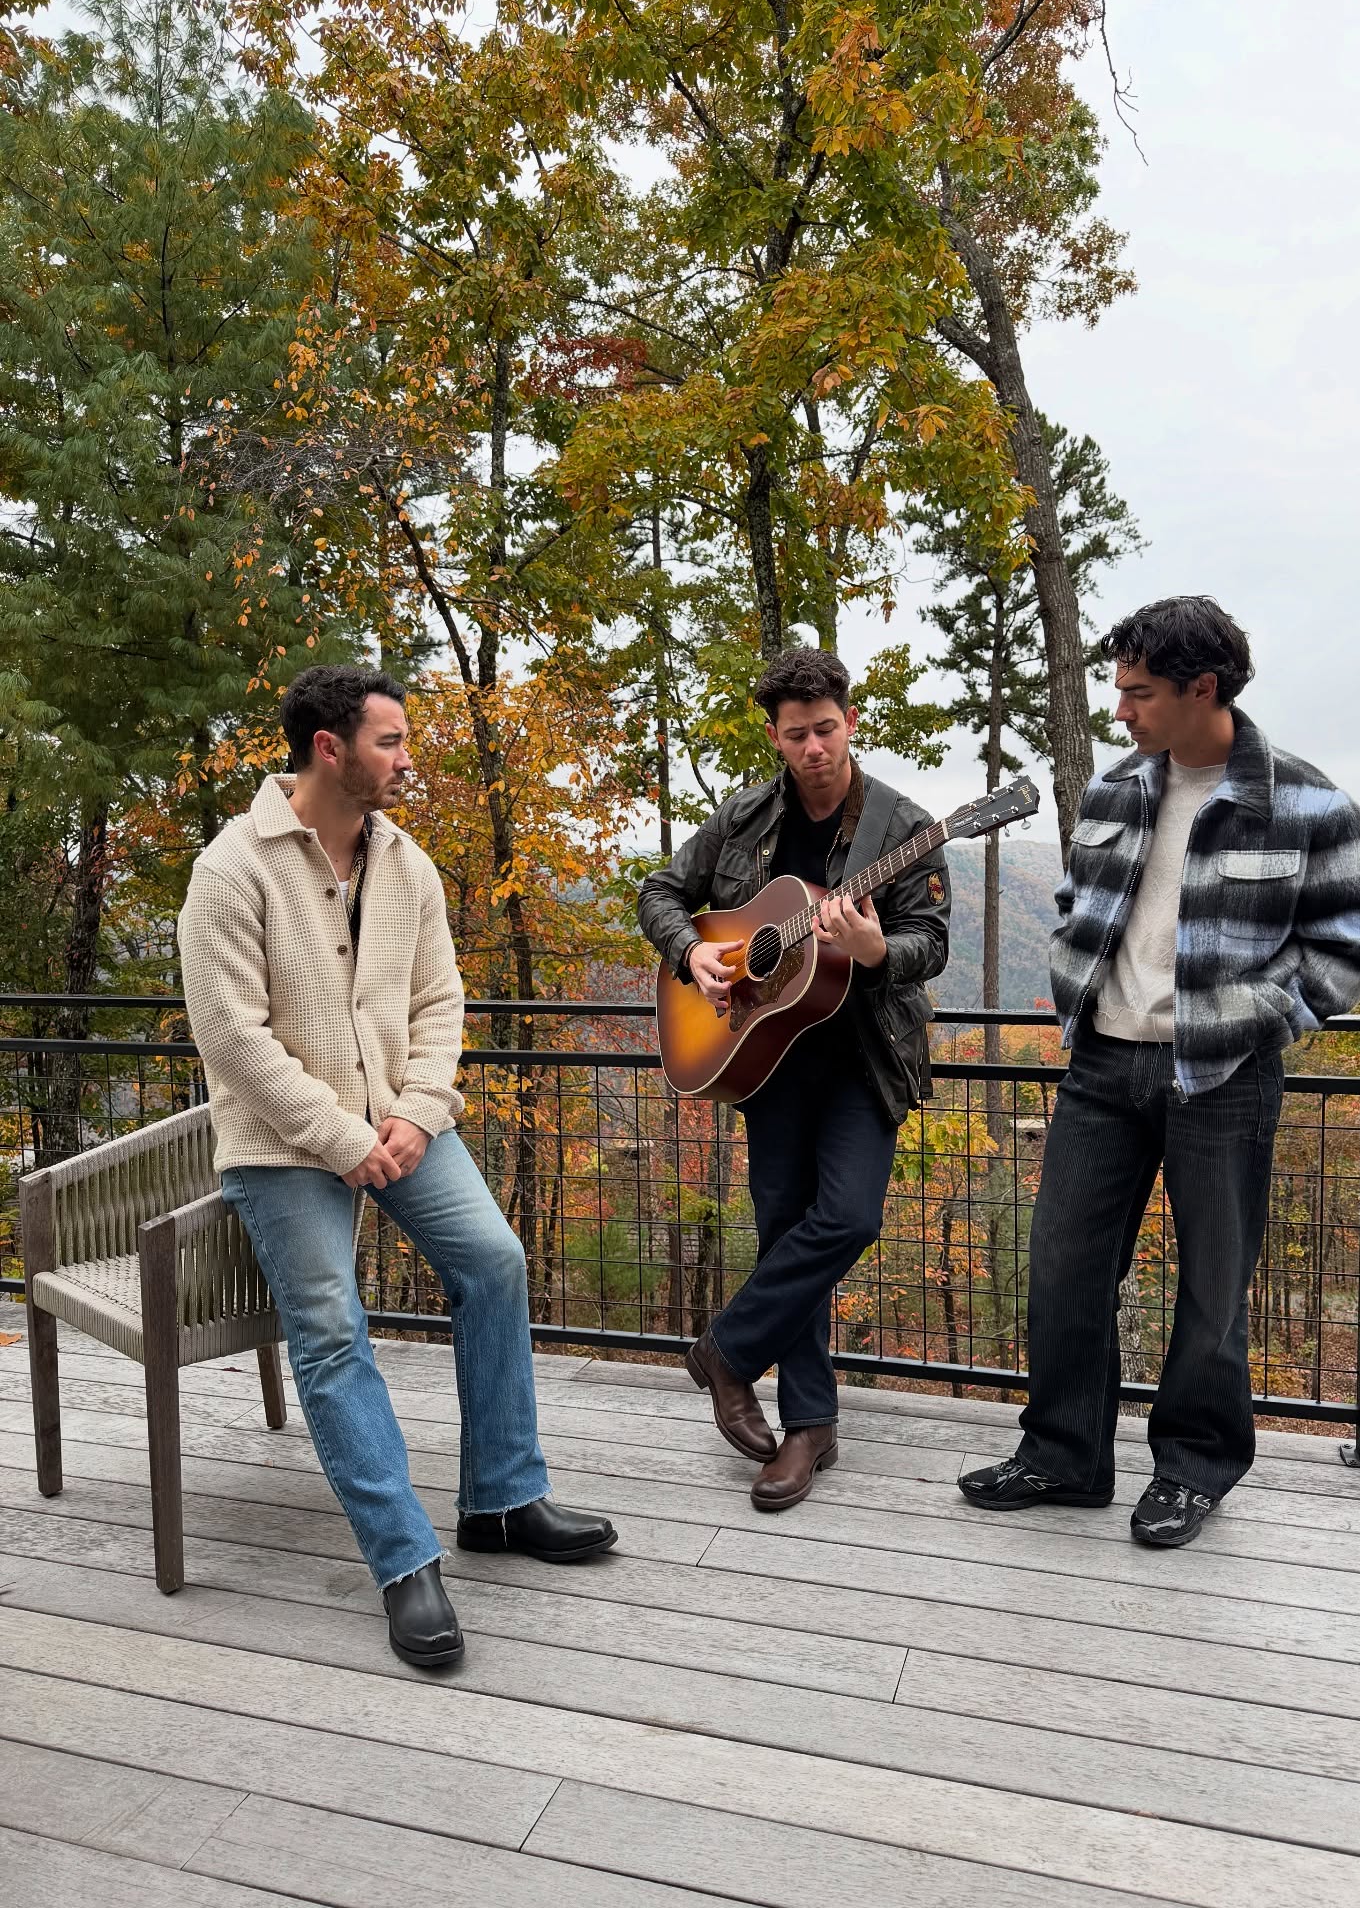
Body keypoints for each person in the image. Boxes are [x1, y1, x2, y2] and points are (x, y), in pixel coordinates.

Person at [178, 664, 616, 1668]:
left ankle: (502, 1499)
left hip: (404, 1125)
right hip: (285, 1145)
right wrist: (344, 1139)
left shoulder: (407, 864)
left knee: (495, 1262)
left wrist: (417, 1113)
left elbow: (439, 1001)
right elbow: (233, 1040)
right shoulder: (232, 870)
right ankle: (403, 1561)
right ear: (328, 749)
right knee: (332, 1330)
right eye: (391, 742)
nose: (407, 760)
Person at [960, 597, 1360, 1546]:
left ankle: (1194, 1470)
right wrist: (1075, 973)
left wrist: (1260, 1018)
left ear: (1204, 688)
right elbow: (1077, 900)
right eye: (1119, 689)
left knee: (1213, 1285)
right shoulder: (1115, 789)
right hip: (1103, 1065)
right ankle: (1064, 1456)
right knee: (1063, 1267)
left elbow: (1351, 947)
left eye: (1140, 692)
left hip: (1223, 1076)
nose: (1121, 710)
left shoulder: (1310, 804)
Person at [639, 648, 951, 1510]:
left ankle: (728, 1352)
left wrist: (878, 950)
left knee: (848, 1218)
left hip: (863, 1059)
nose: (813, 747)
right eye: (796, 734)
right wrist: (693, 952)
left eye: (826, 729)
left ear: (850, 722)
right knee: (784, 1233)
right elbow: (661, 891)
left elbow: (932, 941)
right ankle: (810, 1427)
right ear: (774, 736)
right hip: (765, 1054)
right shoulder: (744, 816)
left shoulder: (904, 827)